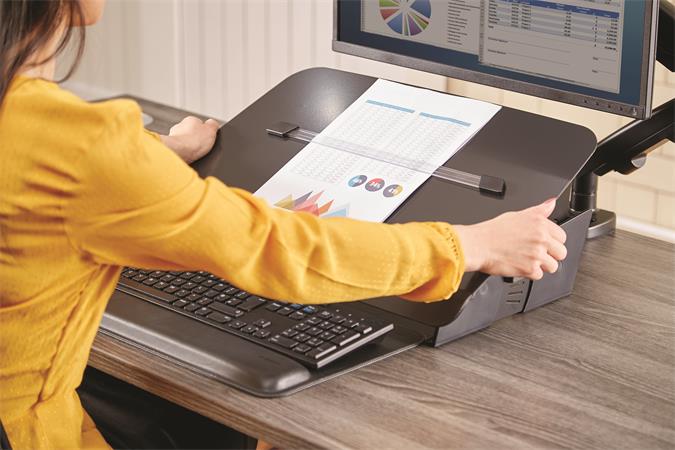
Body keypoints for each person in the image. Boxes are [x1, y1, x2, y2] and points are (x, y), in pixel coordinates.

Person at [0, 0, 568, 448]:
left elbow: (43, 168)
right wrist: (470, 244)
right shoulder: (83, 148)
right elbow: (276, 248)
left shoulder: (41, 128)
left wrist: (154, 155)